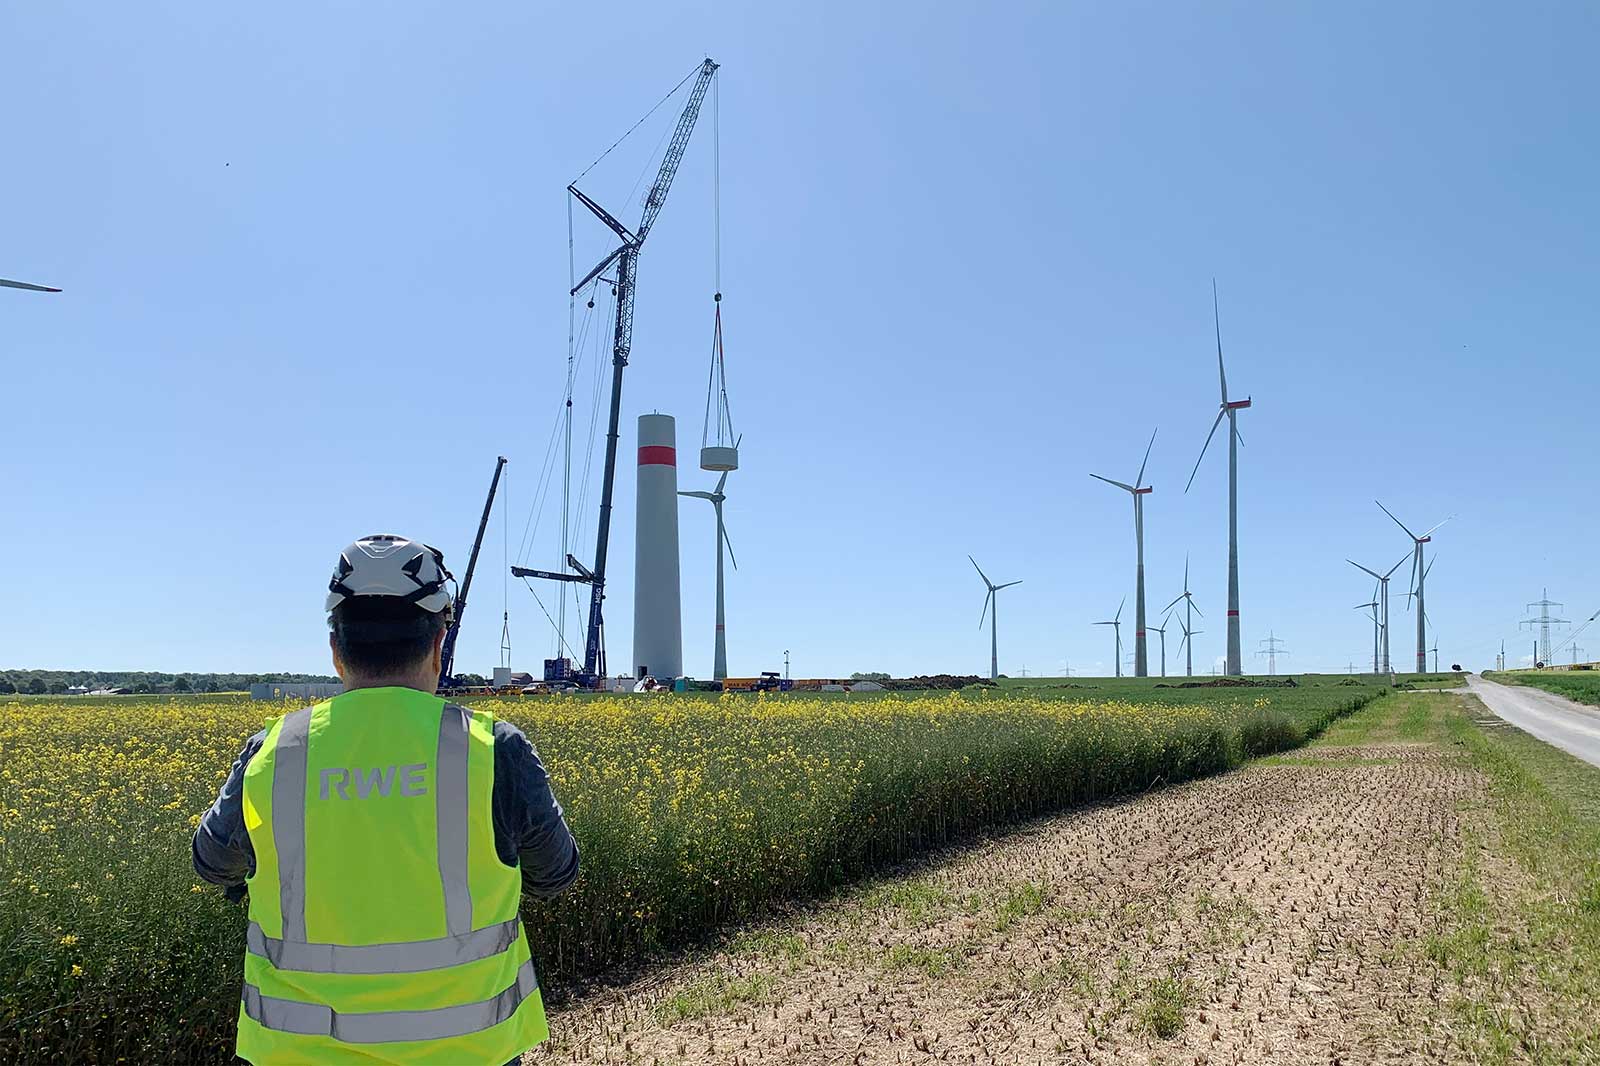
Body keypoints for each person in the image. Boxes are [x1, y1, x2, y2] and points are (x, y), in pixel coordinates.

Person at [193, 534, 579, 1065]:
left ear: (336, 650)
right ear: (439, 643)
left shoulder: (276, 751)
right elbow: (554, 874)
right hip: (468, 1051)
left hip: (298, 1053)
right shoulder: (494, 751)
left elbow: (214, 863)